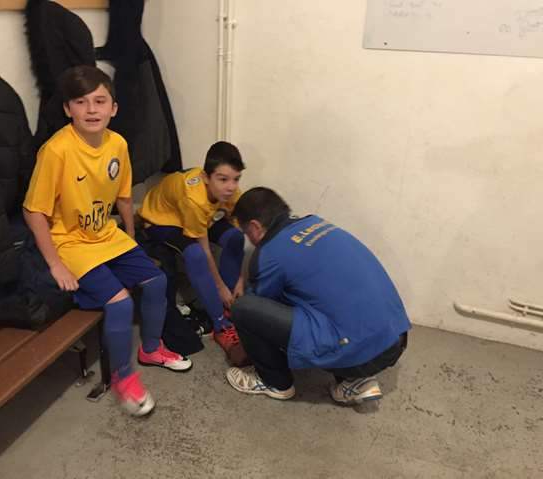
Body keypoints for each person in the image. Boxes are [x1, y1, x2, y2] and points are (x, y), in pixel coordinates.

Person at [23, 65, 191, 417]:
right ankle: (122, 377)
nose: (91, 109)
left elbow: (124, 196)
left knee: (157, 280)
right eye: (81, 102)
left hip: (106, 234)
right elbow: (33, 211)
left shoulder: (118, 144)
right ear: (68, 109)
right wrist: (55, 264)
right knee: (120, 302)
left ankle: (151, 349)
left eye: (100, 101)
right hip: (69, 242)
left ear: (113, 108)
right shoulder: (56, 150)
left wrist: (130, 235)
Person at [225, 187, 410, 405]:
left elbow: (260, 311)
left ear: (255, 227)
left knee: (243, 308)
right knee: (319, 301)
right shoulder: (316, 223)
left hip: (362, 354)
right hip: (396, 338)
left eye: (246, 233)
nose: (249, 239)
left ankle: (275, 382)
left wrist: (242, 349)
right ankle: (354, 381)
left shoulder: (269, 254)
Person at [137, 142, 247, 364]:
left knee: (235, 237)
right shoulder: (193, 198)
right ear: (206, 177)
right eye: (223, 179)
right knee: (195, 254)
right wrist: (220, 287)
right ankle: (220, 324)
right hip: (160, 220)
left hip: (195, 217)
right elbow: (204, 250)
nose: (230, 187)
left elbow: (242, 229)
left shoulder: (231, 191)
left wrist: (240, 281)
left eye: (236, 179)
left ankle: (229, 306)